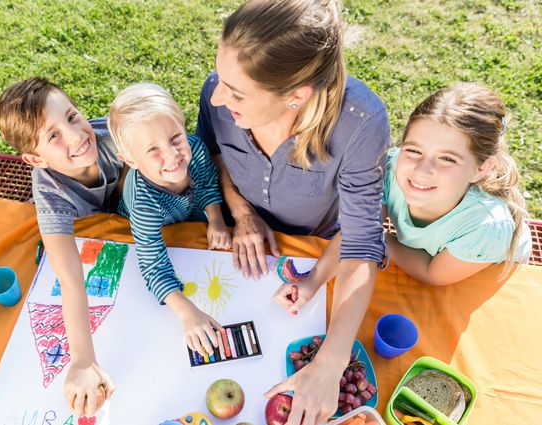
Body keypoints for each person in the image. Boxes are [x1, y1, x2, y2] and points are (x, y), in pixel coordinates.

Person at [196, 0, 390, 423]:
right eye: (221, 79)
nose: (216, 95)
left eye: (236, 92)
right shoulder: (218, 94)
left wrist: (330, 362)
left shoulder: (361, 123)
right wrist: (241, 211)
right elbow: (212, 154)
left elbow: (360, 245)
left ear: (296, 97)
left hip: (316, 243)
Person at [0, 77, 123, 416]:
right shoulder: (51, 194)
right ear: (35, 160)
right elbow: (69, 277)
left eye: (72, 116)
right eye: (53, 135)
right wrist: (82, 359)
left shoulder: (116, 137)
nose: (77, 135)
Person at [108, 82, 231, 358]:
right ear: (130, 159)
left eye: (175, 137)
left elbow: (209, 182)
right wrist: (187, 312)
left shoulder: (196, 150)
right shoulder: (143, 201)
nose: (173, 155)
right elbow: (152, 264)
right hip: (144, 232)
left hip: (188, 219)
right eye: (153, 149)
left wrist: (216, 219)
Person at [381, 83, 532, 284]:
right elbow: (364, 222)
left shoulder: (486, 226)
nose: (421, 170)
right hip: (425, 256)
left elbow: (432, 273)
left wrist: (380, 238)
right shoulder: (390, 168)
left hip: (479, 269)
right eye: (414, 151)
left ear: (480, 169)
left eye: (447, 159)